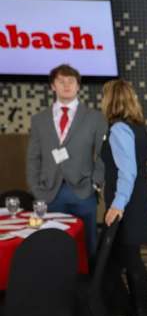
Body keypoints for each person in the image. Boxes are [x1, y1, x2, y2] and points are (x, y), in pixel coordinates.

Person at [26, 64, 107, 255]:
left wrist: (95, 183)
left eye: (71, 81)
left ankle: (90, 285)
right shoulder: (39, 119)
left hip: (83, 192)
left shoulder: (95, 118)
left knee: (88, 248)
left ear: (78, 86)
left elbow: (104, 154)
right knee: (52, 248)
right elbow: (33, 157)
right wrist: (35, 189)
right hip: (49, 194)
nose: (66, 85)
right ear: (52, 86)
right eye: (61, 81)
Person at [99, 79, 147, 316]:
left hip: (127, 204)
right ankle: (135, 311)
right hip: (137, 198)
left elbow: (127, 172)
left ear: (111, 100)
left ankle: (141, 315)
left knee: (131, 260)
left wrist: (117, 205)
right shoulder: (137, 127)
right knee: (127, 258)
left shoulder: (119, 128)